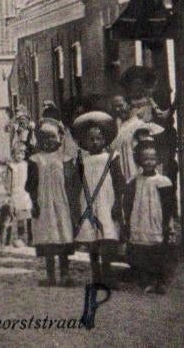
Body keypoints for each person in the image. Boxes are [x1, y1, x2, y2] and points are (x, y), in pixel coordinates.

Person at [70, 115, 125, 289]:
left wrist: (117, 204)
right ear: (84, 142)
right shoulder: (81, 161)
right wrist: (76, 208)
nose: (95, 142)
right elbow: (75, 185)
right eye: (91, 139)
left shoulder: (111, 158)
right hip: (88, 203)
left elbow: (119, 183)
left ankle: (108, 275)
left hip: (106, 203)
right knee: (92, 241)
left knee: (107, 239)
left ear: (105, 140)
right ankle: (96, 276)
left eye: (99, 139)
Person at [25, 118, 76, 286]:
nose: (49, 141)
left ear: (59, 138)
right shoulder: (35, 160)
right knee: (47, 237)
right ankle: (50, 275)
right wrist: (34, 202)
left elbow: (72, 184)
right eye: (44, 138)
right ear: (39, 140)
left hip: (62, 203)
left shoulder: (66, 159)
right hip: (43, 203)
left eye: (52, 137)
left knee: (63, 235)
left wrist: (73, 204)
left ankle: (65, 273)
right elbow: (30, 185)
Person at [122, 140, 177, 294]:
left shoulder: (163, 181)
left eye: (152, 158)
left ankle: (161, 281)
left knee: (159, 252)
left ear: (158, 159)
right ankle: (146, 280)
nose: (148, 162)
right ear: (138, 160)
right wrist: (127, 221)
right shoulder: (133, 181)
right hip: (140, 220)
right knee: (142, 252)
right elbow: (128, 204)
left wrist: (168, 223)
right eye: (145, 158)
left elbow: (168, 205)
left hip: (157, 221)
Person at [7, 143, 33, 247]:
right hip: (16, 193)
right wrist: (9, 192)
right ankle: (21, 238)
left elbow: (30, 179)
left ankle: (31, 239)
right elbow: (8, 181)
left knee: (29, 217)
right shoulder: (11, 166)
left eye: (22, 154)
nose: (20, 156)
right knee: (20, 218)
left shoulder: (26, 165)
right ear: (13, 154)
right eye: (17, 154)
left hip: (26, 194)